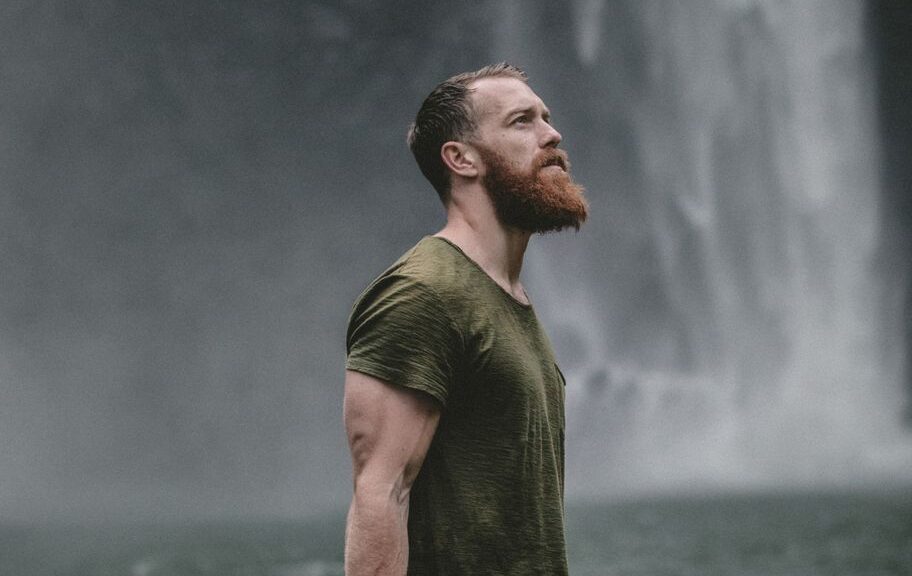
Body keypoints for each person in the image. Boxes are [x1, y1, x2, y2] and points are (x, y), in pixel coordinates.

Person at [343, 63, 588, 575]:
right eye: (522, 121)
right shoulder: (424, 294)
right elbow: (381, 493)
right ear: (461, 159)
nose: (552, 133)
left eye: (547, 117)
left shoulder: (506, 293)